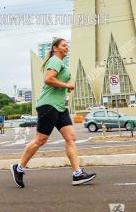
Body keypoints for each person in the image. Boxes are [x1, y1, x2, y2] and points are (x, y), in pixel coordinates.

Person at [12, 38, 95, 187]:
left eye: (67, 45)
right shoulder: (55, 60)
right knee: (40, 140)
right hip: (48, 105)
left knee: (70, 138)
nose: (66, 47)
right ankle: (18, 168)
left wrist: (65, 87)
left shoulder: (61, 63)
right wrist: (67, 85)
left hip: (60, 107)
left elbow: (56, 82)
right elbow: (48, 79)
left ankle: (77, 174)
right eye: (63, 45)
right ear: (55, 48)